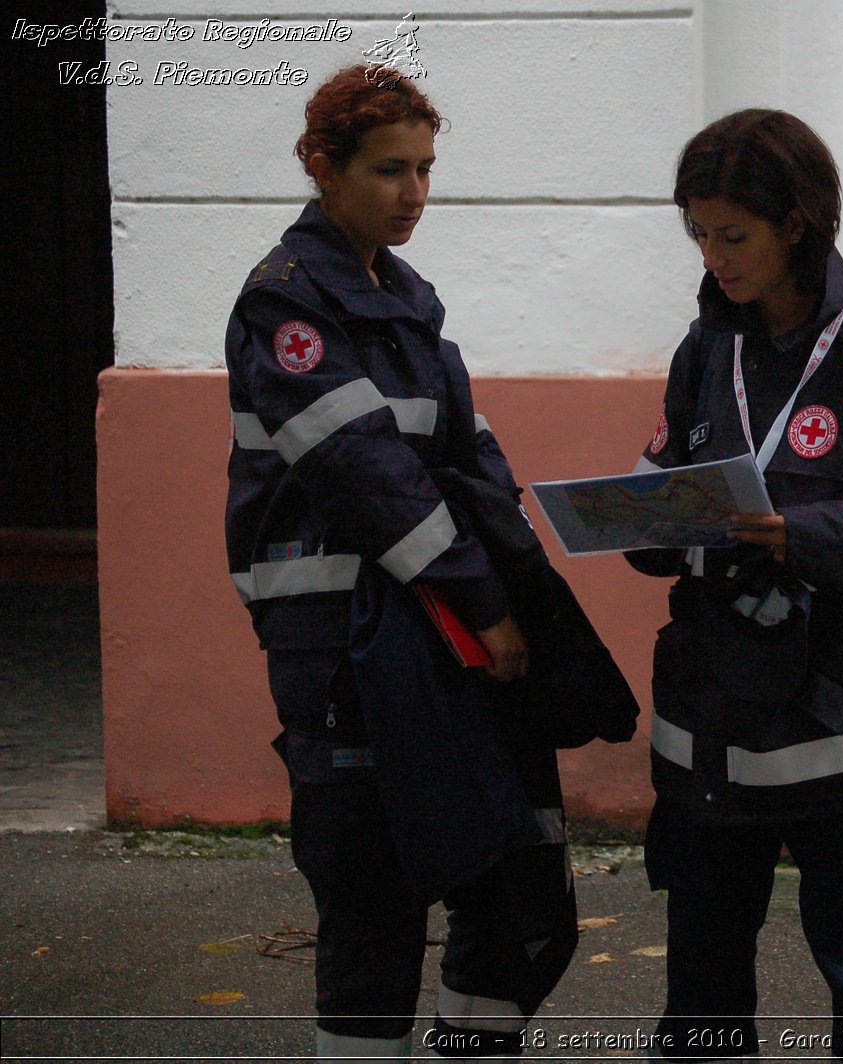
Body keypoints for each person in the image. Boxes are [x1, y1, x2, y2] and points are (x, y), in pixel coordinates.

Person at [224, 65, 575, 1060]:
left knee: (518, 893)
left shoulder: (405, 298)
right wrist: (486, 604)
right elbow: (371, 476)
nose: (414, 191)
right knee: (372, 912)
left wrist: (529, 583)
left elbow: (467, 457)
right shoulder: (284, 307)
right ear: (321, 168)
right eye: (389, 169)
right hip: (341, 648)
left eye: (425, 168)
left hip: (439, 639)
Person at [628, 109, 843, 1063]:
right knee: (700, 983)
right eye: (698, 233)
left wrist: (799, 535)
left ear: (798, 223)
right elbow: (668, 473)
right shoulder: (707, 349)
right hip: (716, 735)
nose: (713, 256)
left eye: (732, 234)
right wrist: (640, 523)